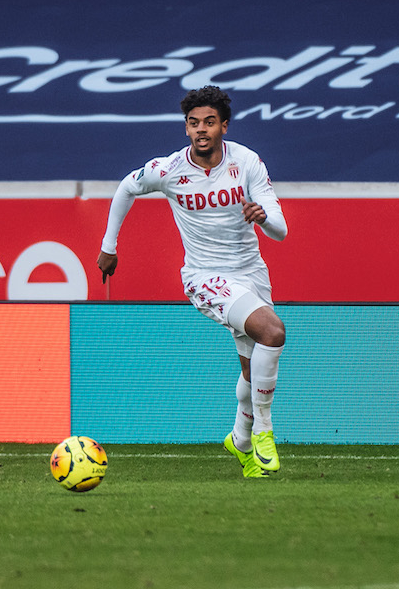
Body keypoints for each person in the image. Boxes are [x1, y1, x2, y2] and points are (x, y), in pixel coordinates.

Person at [97, 85, 288, 478]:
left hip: (251, 273)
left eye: (209, 122)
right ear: (186, 128)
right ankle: (264, 431)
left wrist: (263, 218)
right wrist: (109, 246)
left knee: (252, 371)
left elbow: (280, 231)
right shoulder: (169, 169)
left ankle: (239, 440)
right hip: (204, 277)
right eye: (193, 122)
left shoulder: (247, 162)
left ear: (224, 126)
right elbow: (127, 187)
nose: (201, 129)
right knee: (273, 332)